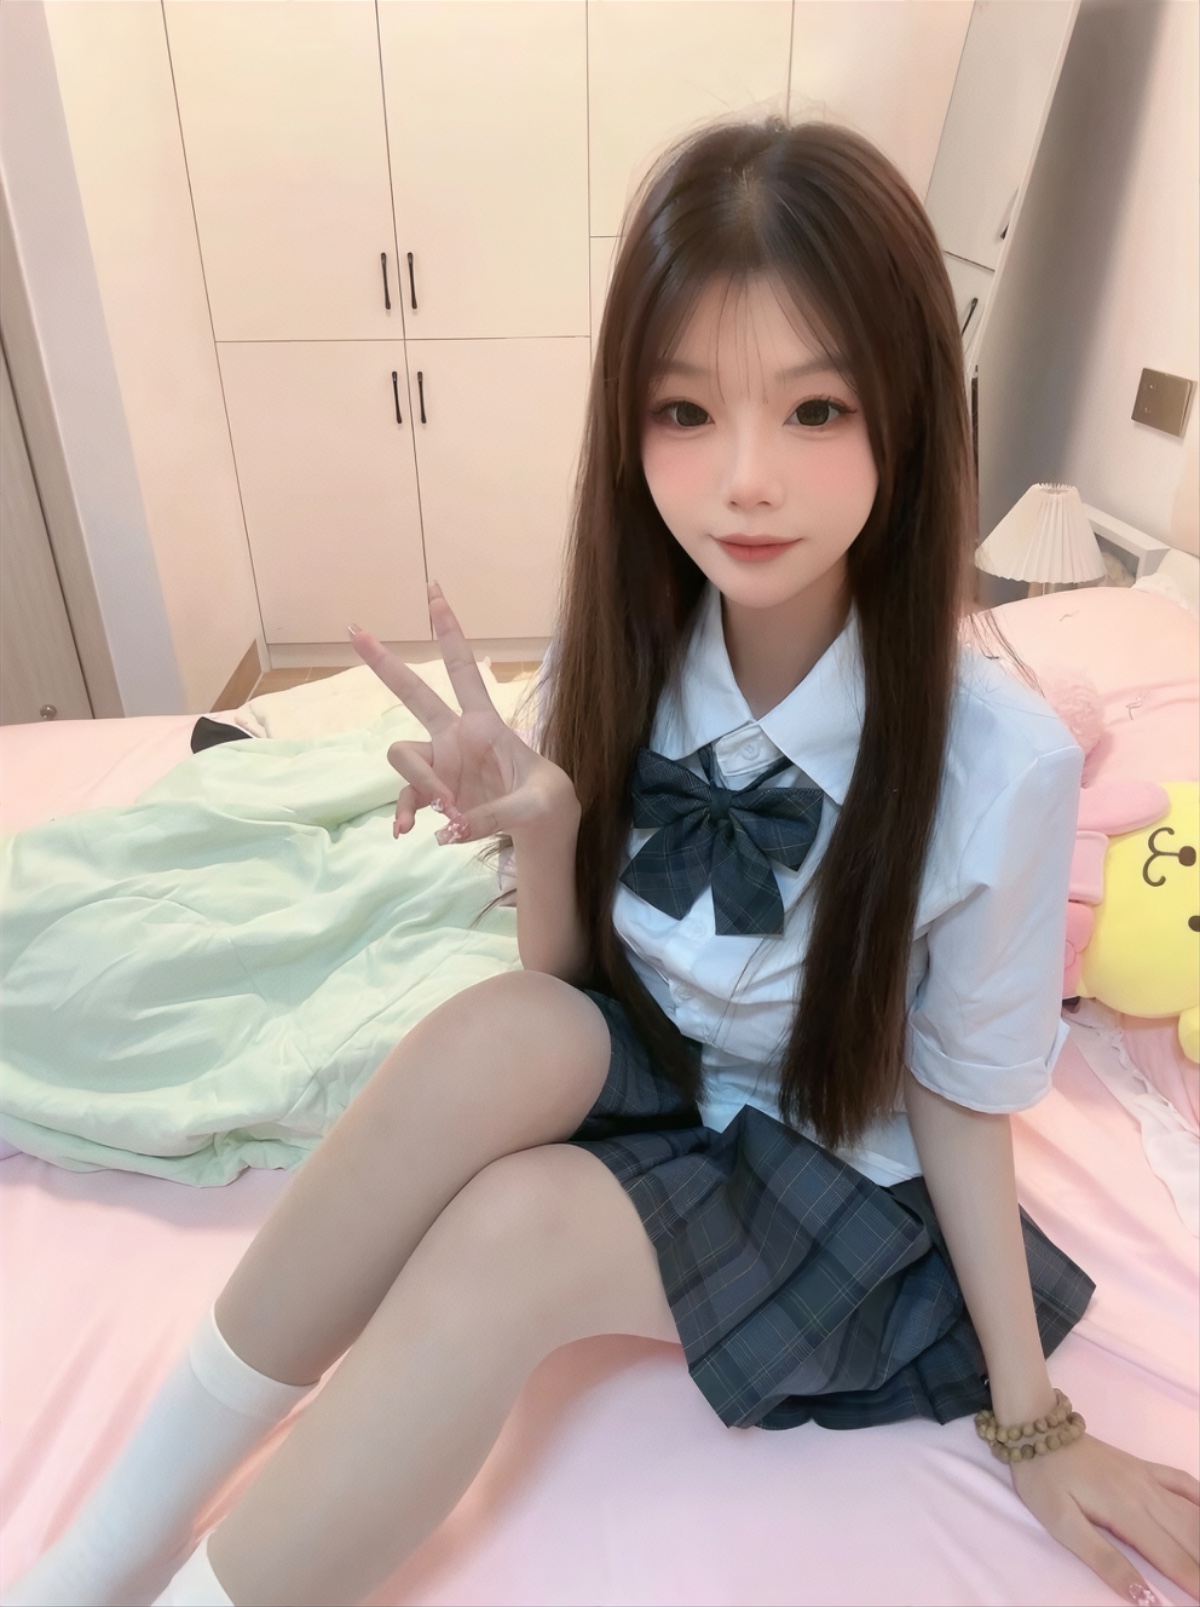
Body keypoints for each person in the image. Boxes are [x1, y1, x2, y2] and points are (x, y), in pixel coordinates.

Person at [7, 119, 1197, 1607]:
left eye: (816, 409)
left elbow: (962, 1099)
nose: (745, 480)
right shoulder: (622, 651)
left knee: (510, 1235)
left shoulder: (996, 760)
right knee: (500, 1025)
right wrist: (551, 825)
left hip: (827, 1166)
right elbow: (576, 992)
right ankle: (91, 1565)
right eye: (685, 411)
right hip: (662, 1079)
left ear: (906, 414)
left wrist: (1035, 1420)